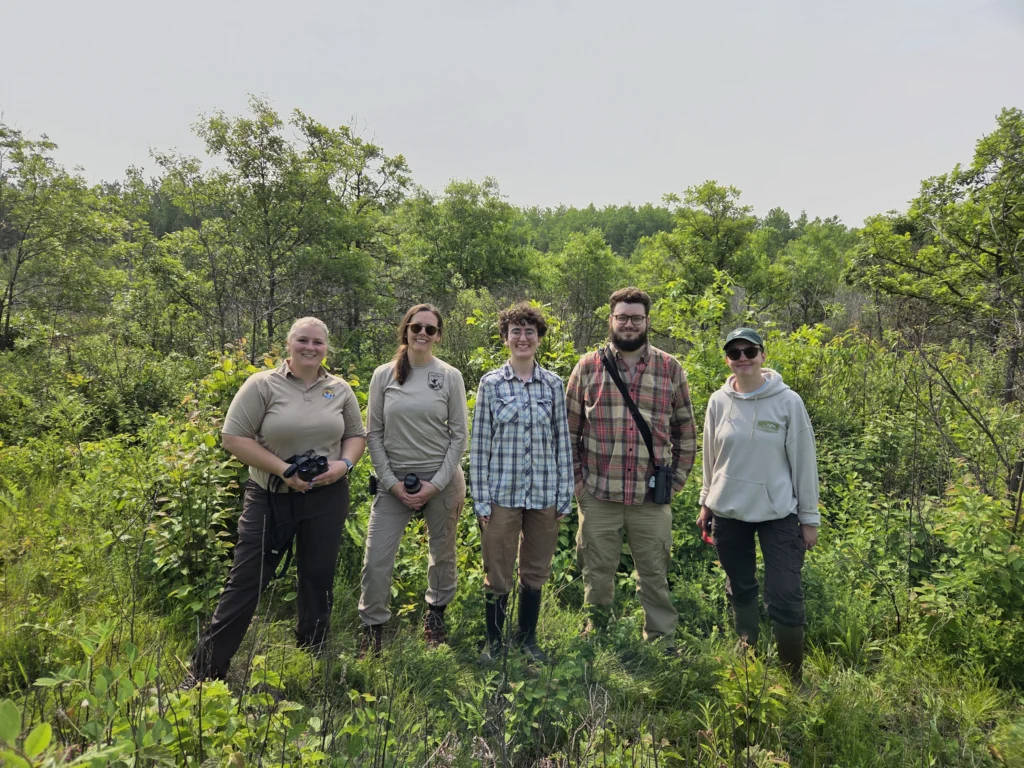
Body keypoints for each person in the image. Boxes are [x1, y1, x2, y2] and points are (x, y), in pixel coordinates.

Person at [182, 317, 366, 689]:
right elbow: (233, 437)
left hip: (326, 496)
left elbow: (356, 435)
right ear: (289, 345)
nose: (310, 348)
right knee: (246, 580)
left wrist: (343, 465)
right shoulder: (262, 385)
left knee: (317, 577)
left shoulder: (339, 389)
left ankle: (313, 655)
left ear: (326, 347)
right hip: (270, 496)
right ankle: (205, 672)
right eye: (303, 340)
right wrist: (284, 470)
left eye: (318, 342)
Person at [566, 287, 696, 650]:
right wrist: (580, 486)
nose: (628, 324)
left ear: (647, 321)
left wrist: (677, 481)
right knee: (596, 571)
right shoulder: (587, 367)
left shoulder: (670, 368)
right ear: (610, 319)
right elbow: (568, 431)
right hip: (599, 493)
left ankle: (661, 640)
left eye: (636, 318)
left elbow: (685, 431)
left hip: (650, 496)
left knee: (654, 573)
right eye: (621, 317)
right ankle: (598, 632)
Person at [696, 327, 820, 684]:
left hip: (778, 513)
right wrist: (706, 502)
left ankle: (792, 676)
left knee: (784, 591)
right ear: (727, 360)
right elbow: (711, 457)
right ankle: (747, 647)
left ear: (763, 356)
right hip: (729, 511)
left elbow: (804, 462)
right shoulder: (718, 401)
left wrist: (808, 519)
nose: (743, 359)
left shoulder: (788, 402)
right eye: (735, 353)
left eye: (750, 351)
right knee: (740, 584)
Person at [358, 304, 469, 655]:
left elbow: (459, 437)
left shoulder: (449, 376)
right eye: (416, 326)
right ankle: (373, 626)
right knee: (376, 557)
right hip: (393, 483)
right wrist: (390, 483)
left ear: (438, 336)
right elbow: (373, 434)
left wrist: (435, 484)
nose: (422, 333)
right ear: (405, 329)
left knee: (443, 554)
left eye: (430, 329)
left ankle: (436, 614)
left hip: (442, 480)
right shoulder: (383, 376)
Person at [470, 303, 573, 664]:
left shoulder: (554, 385)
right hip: (501, 494)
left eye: (530, 331)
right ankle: (494, 644)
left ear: (539, 339)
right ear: (505, 338)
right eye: (516, 331)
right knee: (497, 569)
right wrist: (480, 499)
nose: (523, 338)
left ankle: (528, 640)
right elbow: (480, 444)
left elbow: (563, 443)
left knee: (536, 570)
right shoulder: (491, 384)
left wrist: (565, 496)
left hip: (545, 494)